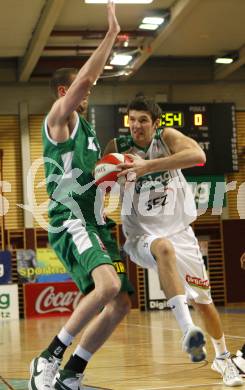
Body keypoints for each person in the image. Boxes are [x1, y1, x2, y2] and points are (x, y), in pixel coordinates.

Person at [29, 3, 136, 390]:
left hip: (97, 222)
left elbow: (95, 179)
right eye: (80, 87)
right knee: (107, 287)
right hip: (71, 219)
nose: (88, 90)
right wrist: (110, 35)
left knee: (120, 303)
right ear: (65, 90)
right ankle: (49, 355)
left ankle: (71, 374)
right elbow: (88, 78)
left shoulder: (88, 132)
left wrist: (117, 169)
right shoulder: (59, 119)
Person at [104, 96, 243, 387]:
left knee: (205, 302)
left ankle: (222, 359)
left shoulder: (167, 138)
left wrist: (147, 167)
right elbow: (100, 183)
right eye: (132, 120)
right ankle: (187, 329)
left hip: (180, 232)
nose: (137, 126)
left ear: (155, 124)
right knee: (162, 248)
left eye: (143, 120)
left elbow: (197, 156)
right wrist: (103, 187)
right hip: (141, 236)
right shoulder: (117, 149)